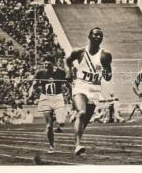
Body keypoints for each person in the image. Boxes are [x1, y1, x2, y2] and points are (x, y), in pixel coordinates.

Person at [65, 27, 112, 155]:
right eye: (96, 35)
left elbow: (108, 77)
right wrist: (69, 71)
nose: (98, 37)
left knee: (84, 121)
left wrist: (105, 72)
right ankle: (78, 145)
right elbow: (67, 61)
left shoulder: (105, 56)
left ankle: (78, 133)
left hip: (95, 89)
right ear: (89, 36)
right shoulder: (79, 52)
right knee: (81, 112)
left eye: (100, 35)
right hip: (80, 86)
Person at [29, 55, 69, 154]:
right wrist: (31, 90)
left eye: (48, 64)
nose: (46, 65)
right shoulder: (40, 73)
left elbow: (67, 84)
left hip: (58, 98)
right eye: (45, 64)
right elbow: (34, 84)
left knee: (61, 122)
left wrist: (72, 93)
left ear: (53, 64)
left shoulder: (60, 72)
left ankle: (56, 118)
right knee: (49, 127)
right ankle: (51, 145)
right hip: (45, 98)